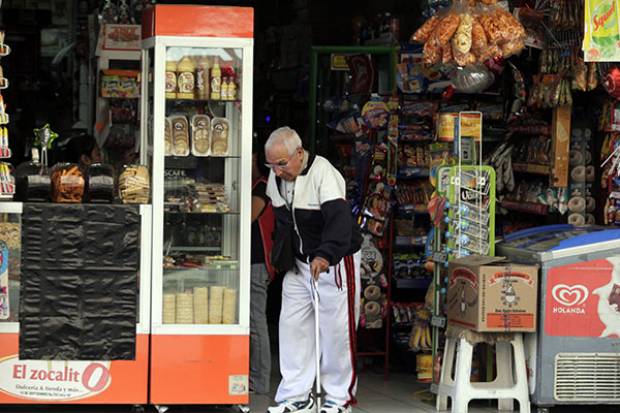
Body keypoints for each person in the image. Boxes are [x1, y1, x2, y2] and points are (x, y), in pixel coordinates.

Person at [264, 127, 362, 413]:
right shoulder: (277, 176)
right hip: (299, 263)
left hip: (334, 261)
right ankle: (296, 396)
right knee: (292, 327)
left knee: (336, 332)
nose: (278, 171)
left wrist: (325, 255)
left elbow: (340, 223)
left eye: (282, 164)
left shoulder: (324, 172)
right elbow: (283, 223)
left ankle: (338, 398)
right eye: (272, 165)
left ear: (299, 153)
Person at [250, 141, 276, 394]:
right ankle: (252, 375)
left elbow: (248, 216)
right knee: (251, 321)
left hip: (258, 262)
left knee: (256, 321)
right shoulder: (254, 186)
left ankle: (259, 380)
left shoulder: (262, 188)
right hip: (250, 261)